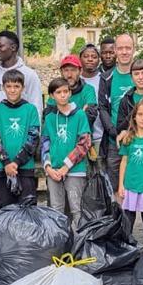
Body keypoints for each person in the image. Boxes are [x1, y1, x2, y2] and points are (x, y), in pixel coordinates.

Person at [0, 31, 42, 154]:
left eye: (0, 46)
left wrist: (34, 137)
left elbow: (37, 107)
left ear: (13, 47)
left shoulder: (29, 75)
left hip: (20, 137)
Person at [0, 68, 41, 207]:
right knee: (3, 210)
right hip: (1, 168)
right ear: (3, 87)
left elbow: (33, 138)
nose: (12, 90)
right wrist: (7, 163)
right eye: (8, 86)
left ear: (23, 87)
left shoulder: (30, 109)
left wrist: (15, 163)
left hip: (25, 168)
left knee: (28, 211)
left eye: (16, 86)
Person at [42, 77, 93, 227]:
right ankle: (60, 243)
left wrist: (66, 166)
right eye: (58, 92)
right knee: (56, 209)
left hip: (75, 170)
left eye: (66, 91)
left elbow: (84, 143)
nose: (63, 95)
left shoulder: (79, 115)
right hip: (54, 170)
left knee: (76, 208)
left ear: (70, 93)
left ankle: (78, 243)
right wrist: (48, 167)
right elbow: (45, 142)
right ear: (52, 96)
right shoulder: (50, 118)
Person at [116, 99, 143, 246]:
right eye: (140, 114)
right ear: (134, 116)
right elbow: (123, 161)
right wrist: (120, 185)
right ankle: (127, 246)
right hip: (130, 184)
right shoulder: (129, 137)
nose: (142, 118)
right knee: (129, 216)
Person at [99, 33, 136, 190]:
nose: (124, 52)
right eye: (121, 48)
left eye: (128, 48)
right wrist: (113, 131)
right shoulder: (107, 77)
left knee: (140, 187)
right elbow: (102, 107)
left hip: (139, 140)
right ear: (115, 50)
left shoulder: (141, 74)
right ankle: (119, 215)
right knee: (115, 188)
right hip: (116, 142)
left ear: (134, 50)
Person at [47, 54, 101, 152]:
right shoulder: (56, 90)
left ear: (80, 71)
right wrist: (80, 115)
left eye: (73, 70)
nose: (69, 74)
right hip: (59, 143)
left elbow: (91, 115)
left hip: (82, 143)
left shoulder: (88, 90)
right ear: (61, 72)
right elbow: (49, 117)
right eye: (66, 70)